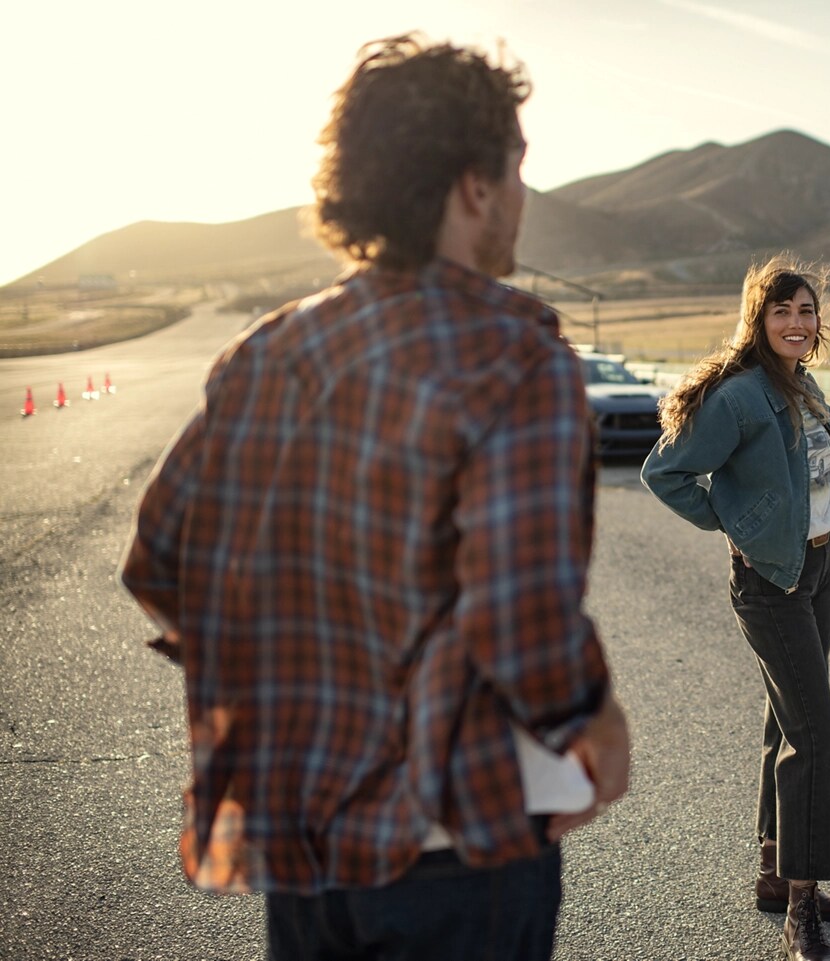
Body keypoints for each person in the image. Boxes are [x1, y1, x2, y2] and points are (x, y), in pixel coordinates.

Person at [120, 34, 629, 961]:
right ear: (473, 184)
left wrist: (301, 682)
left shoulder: (270, 350)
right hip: (456, 855)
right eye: (516, 167)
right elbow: (520, 619)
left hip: (306, 850)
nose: (520, 194)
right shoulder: (514, 357)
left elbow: (159, 561)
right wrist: (595, 721)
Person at [641, 255, 830, 961]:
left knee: (787, 719)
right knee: (816, 735)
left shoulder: (802, 387)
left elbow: (829, 469)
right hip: (769, 579)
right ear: (759, 319)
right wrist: (738, 523)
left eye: (806, 311)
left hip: (816, 567)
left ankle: (776, 872)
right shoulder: (741, 396)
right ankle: (801, 908)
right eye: (783, 312)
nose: (798, 323)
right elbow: (665, 470)